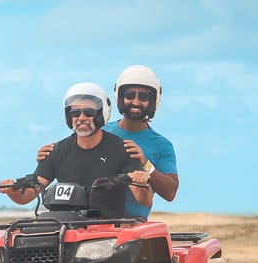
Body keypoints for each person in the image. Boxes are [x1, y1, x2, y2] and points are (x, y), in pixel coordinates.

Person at [37, 65, 177, 219]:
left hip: (132, 223)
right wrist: (50, 155)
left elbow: (170, 193)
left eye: (143, 97)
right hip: (91, 220)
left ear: (152, 101)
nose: (135, 102)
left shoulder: (161, 145)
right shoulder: (99, 131)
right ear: (120, 97)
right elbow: (72, 152)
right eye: (130, 96)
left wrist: (146, 164)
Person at [0, 82, 152, 210]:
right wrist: (11, 190)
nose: (81, 118)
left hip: (107, 229)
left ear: (101, 114)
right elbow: (28, 196)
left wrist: (141, 181)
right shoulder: (56, 151)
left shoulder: (122, 149)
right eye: (75, 113)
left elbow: (144, 199)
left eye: (88, 113)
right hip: (63, 227)